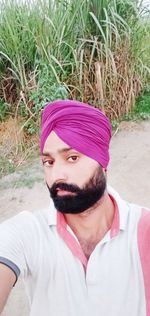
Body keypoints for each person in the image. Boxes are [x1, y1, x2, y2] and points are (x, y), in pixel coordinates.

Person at [0, 99, 149, 316]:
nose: (57, 175)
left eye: (72, 158)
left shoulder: (144, 230)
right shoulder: (28, 232)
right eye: (48, 162)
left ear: (103, 163)